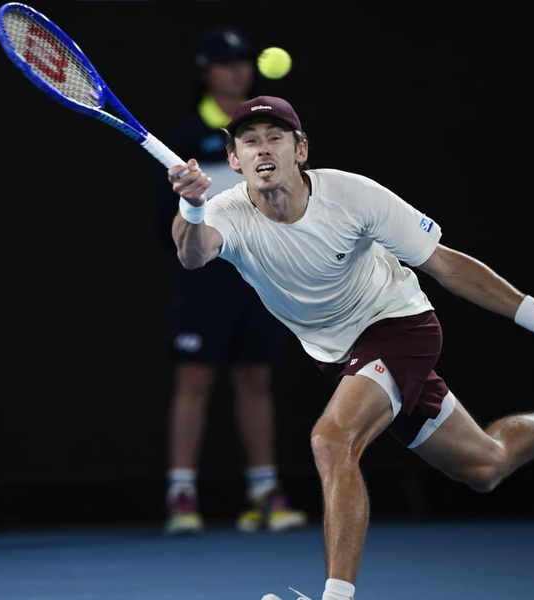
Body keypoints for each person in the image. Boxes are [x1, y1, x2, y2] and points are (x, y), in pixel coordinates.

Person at [168, 95, 534, 600]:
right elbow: (193, 255)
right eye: (250, 141)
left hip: (399, 326)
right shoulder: (224, 211)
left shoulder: (353, 196)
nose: (263, 149)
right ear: (234, 159)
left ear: (300, 150)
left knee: (332, 440)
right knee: (486, 465)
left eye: (275, 138)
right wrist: (191, 206)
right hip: (341, 357)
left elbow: (446, 265)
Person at [162, 31, 307, 535]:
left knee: (256, 378)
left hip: (259, 272)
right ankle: (181, 494)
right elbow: (166, 221)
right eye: (225, 63)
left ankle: (264, 492)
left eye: (243, 61)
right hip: (206, 277)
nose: (237, 70)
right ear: (207, 71)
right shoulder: (185, 135)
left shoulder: (263, 133)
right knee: (194, 379)